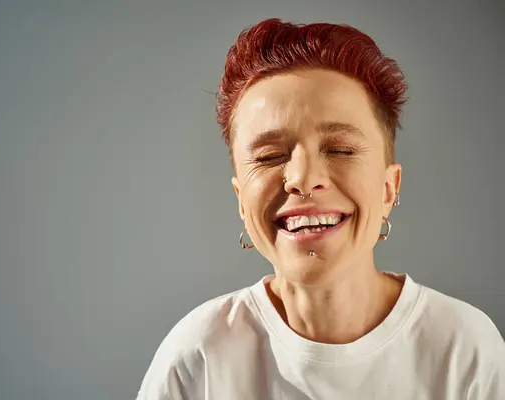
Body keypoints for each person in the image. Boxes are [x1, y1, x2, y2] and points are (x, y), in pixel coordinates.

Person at [136, 18, 505, 399]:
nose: (302, 177)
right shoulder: (199, 358)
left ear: (388, 189)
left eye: (340, 150)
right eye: (269, 156)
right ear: (241, 202)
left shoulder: (465, 350)